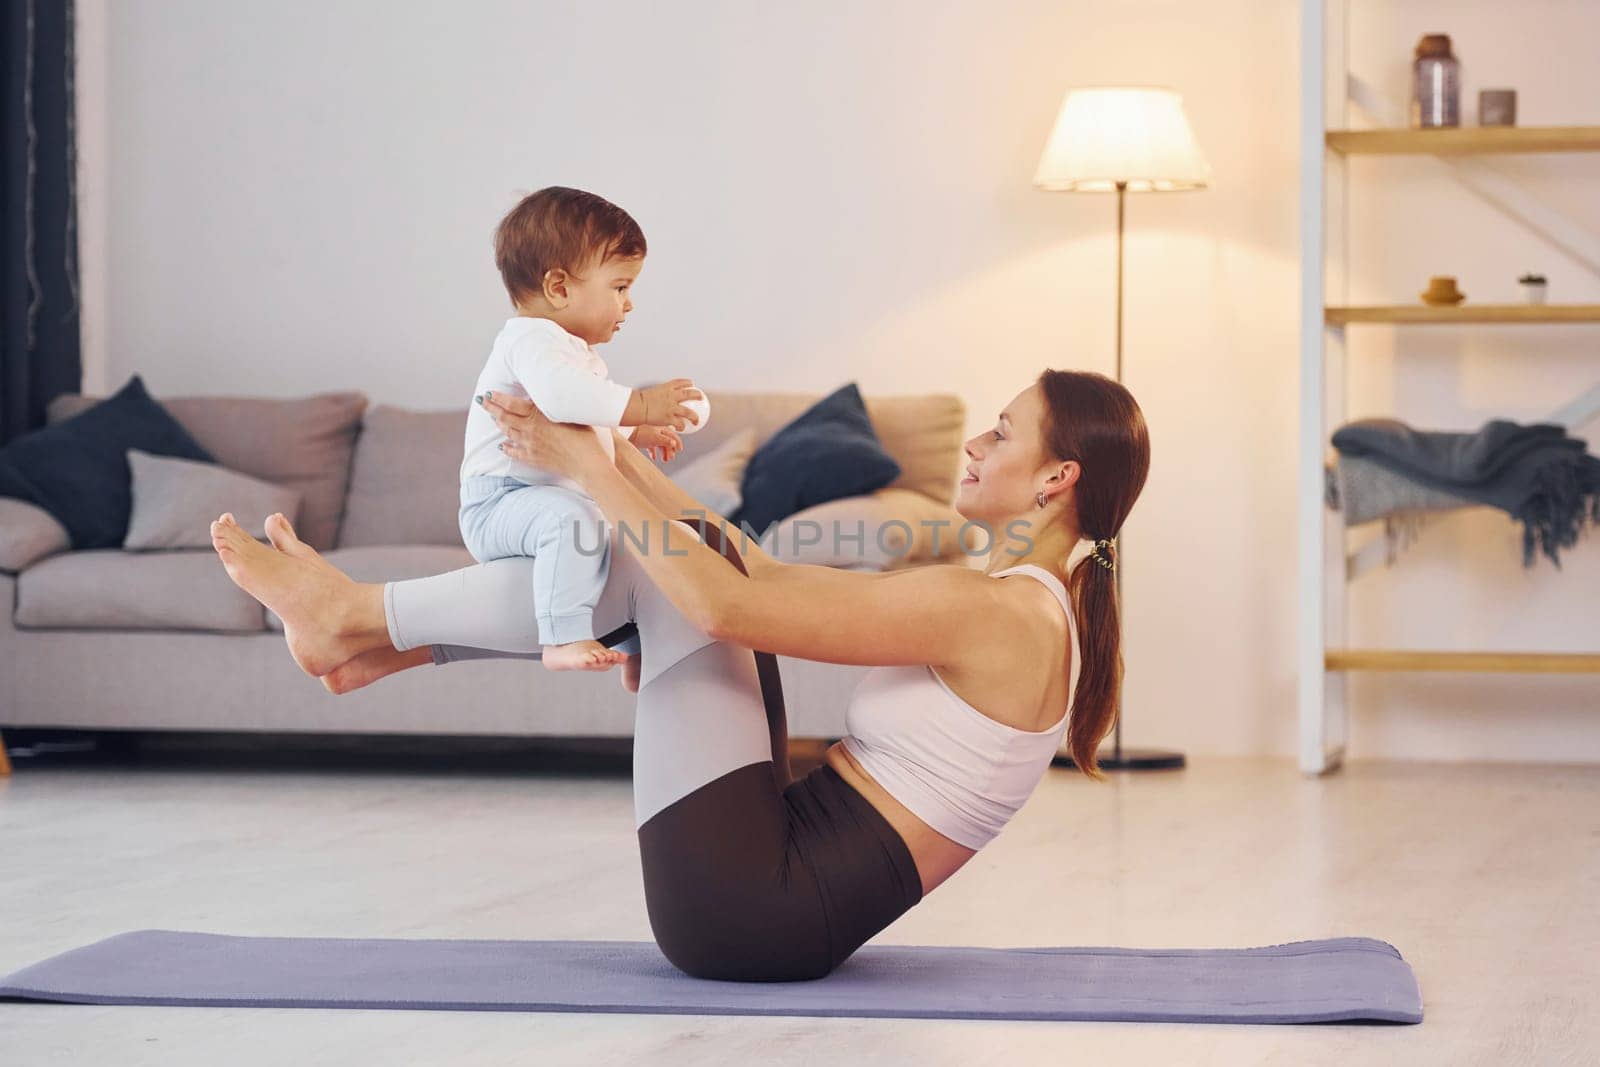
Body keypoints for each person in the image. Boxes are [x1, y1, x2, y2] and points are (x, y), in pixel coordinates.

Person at [209, 368, 1149, 982]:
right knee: (679, 557)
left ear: (1056, 478)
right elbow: (762, 574)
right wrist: (619, 459)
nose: (978, 445)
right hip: (771, 888)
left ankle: (356, 620)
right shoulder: (1021, 604)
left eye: (1000, 430)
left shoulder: (995, 611)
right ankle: (377, 643)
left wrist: (589, 466)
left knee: (666, 579)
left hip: (752, 912)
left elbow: (725, 608)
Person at [462, 185, 708, 688]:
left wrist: (633, 430)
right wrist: (640, 403)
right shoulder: (531, 339)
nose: (630, 303)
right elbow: (562, 398)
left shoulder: (572, 351)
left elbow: (583, 407)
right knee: (571, 517)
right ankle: (561, 636)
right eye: (620, 287)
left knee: (638, 540)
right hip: (500, 505)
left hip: (540, 499)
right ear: (559, 288)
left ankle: (638, 642)